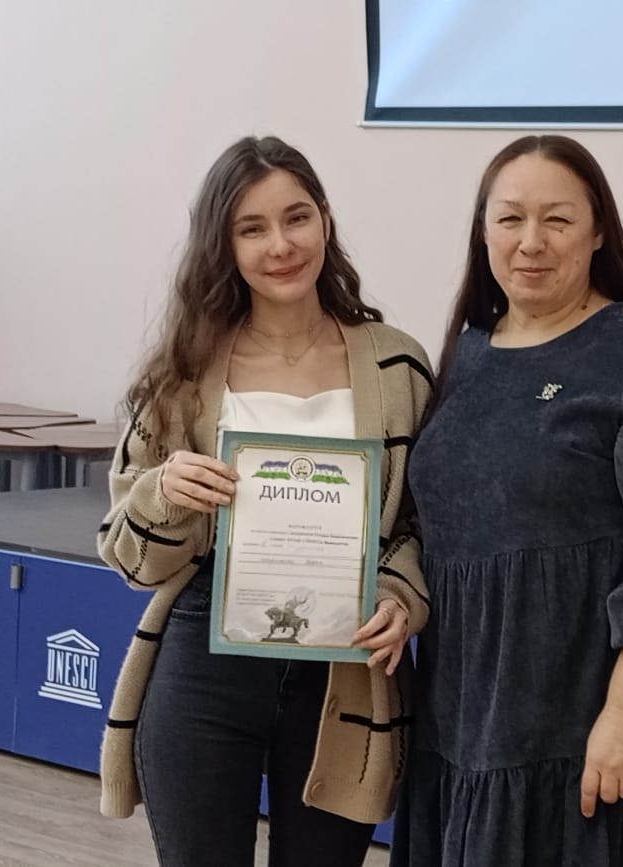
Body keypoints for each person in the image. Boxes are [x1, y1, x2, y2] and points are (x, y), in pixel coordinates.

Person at [389, 135, 623, 867]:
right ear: (483, 231)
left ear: (599, 230)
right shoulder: (468, 352)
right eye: (510, 218)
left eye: (558, 219)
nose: (531, 242)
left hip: (583, 729)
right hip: (459, 720)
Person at [96, 135, 433, 867]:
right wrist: (164, 493)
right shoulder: (182, 373)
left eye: (296, 217)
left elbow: (423, 524)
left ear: (325, 220)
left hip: (346, 665)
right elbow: (126, 555)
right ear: (223, 245)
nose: (280, 245)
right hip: (204, 658)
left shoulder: (398, 364)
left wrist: (401, 593)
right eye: (252, 228)